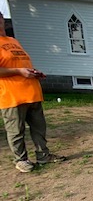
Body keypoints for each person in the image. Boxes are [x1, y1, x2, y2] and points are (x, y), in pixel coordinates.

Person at [0, 12, 65, 172]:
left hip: (32, 92)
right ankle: (21, 160)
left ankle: (43, 155)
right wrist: (19, 71)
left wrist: (33, 72)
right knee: (16, 130)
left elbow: (20, 63)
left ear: (2, 20)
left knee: (39, 128)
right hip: (12, 96)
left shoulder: (13, 41)